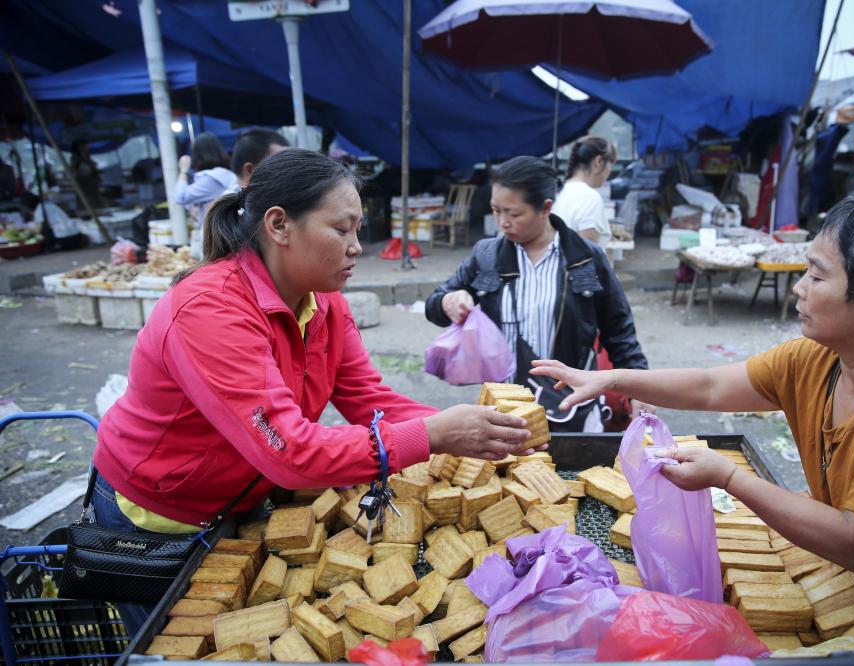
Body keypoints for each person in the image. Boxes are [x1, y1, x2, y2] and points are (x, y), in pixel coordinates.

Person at [532, 192, 854, 665]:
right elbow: (713, 386)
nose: (799, 288)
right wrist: (611, 378)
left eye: (817, 275)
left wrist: (730, 477)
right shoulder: (822, 358)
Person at [93, 149, 531, 627]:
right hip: (158, 519)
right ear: (279, 226)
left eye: (358, 229)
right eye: (341, 229)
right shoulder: (209, 310)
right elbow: (289, 451)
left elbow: (369, 400)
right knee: (173, 641)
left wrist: (478, 429)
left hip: (244, 497)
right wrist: (434, 435)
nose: (357, 246)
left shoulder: (323, 302)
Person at [426, 156, 651, 432]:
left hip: (573, 406)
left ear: (545, 208)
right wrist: (448, 301)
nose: (503, 222)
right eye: (496, 211)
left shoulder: (585, 259)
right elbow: (435, 304)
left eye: (514, 213)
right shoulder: (486, 256)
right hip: (505, 408)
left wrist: (641, 390)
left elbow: (619, 332)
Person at [552, 136, 616, 249]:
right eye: (612, 164)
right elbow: (585, 258)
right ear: (599, 162)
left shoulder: (559, 192)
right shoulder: (590, 198)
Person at [174, 132, 237, 227]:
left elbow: (181, 197)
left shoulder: (211, 179)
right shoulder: (226, 174)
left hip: (217, 233)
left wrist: (183, 170)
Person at [70, 139, 102, 211]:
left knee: (95, 200)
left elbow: (93, 168)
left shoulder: (87, 157)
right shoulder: (75, 158)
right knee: (85, 201)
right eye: (83, 146)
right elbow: (75, 169)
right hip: (83, 183)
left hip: (92, 182)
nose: (86, 147)